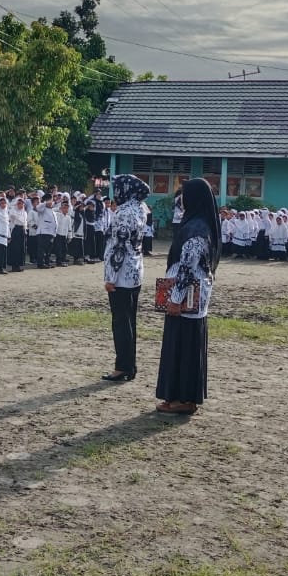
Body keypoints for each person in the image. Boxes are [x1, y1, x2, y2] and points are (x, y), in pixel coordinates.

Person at [154, 177, 220, 415]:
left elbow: (188, 267)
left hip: (186, 298)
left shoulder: (196, 229)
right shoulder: (198, 224)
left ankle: (186, 399)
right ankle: (176, 396)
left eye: (184, 195)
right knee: (180, 345)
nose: (181, 200)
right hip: (190, 297)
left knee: (185, 347)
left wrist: (175, 298)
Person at [102, 174, 148, 383]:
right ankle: (129, 365)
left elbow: (118, 248)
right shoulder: (140, 209)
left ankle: (123, 367)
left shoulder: (123, 213)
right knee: (129, 321)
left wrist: (110, 277)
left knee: (120, 322)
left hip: (121, 275)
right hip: (135, 272)